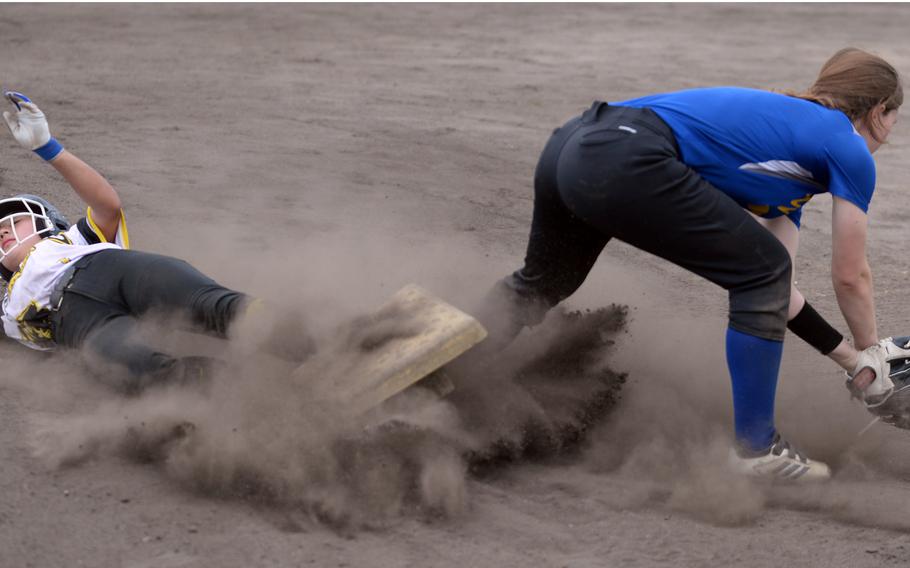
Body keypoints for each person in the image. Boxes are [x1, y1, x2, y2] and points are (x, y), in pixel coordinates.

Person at [478, 48, 905, 482]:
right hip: (624, 153)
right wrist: (874, 350)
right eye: (894, 119)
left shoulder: (789, 160)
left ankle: (449, 369)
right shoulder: (846, 146)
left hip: (573, 144)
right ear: (877, 112)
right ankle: (757, 449)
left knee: (542, 283)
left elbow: (777, 295)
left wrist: (854, 363)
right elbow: (851, 276)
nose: (889, 134)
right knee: (763, 271)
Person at [0, 91, 311, 393]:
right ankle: (263, 398)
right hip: (77, 324)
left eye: (12, 221)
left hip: (109, 269)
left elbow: (107, 204)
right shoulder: (5, 309)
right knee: (140, 369)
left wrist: (49, 148)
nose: (2, 233)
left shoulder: (72, 241)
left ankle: (324, 349)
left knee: (211, 305)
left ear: (46, 221)